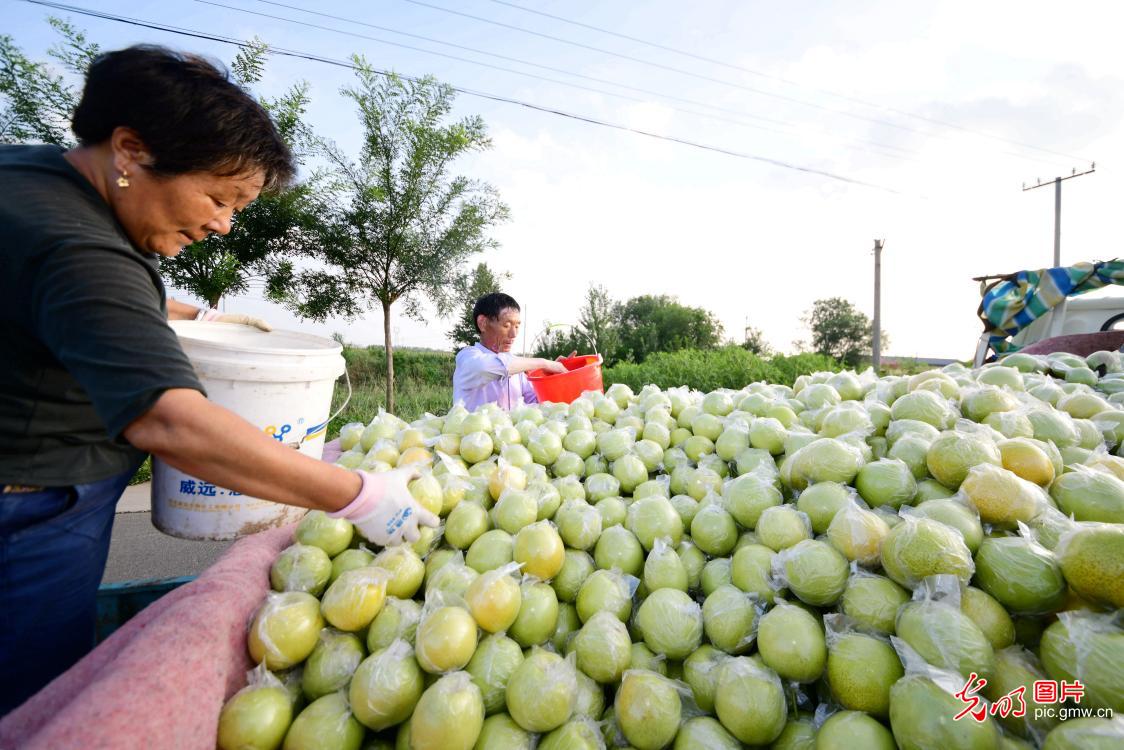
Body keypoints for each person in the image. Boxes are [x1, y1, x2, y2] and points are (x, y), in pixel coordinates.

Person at [0, 45, 438, 715]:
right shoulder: (78, 247)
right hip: (29, 515)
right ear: (130, 150)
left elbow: (65, 302)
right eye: (218, 197)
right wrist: (357, 495)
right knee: (24, 700)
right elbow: (170, 420)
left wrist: (186, 311)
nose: (220, 225)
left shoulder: (30, 175)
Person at [452, 292, 571, 410]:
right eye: (506, 325)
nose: (513, 334)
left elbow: (537, 402)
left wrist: (551, 379)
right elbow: (484, 367)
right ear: (483, 323)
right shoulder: (467, 357)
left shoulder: (517, 369)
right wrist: (545, 363)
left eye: (517, 326)